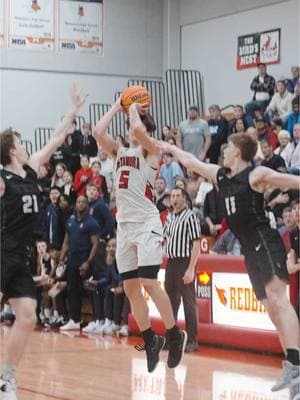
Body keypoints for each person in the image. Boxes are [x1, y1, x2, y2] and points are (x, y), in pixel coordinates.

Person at [158, 133, 300, 392]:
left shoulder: (255, 175)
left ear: (238, 152)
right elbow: (192, 161)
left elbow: (291, 181)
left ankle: (296, 364)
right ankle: (292, 367)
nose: (224, 150)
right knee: (270, 307)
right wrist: (170, 148)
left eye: (229, 147)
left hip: (264, 240)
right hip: (249, 248)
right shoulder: (220, 175)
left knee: (279, 299)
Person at [0, 83, 87, 399]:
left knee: (26, 315)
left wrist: (74, 109)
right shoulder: (3, 180)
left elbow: (56, 137)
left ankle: (6, 380)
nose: (26, 145)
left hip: (21, 256)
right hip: (2, 251)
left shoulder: (31, 169)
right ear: (12, 149)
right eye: (21, 142)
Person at [93, 98, 187, 373]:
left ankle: (173, 333)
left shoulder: (152, 149)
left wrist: (132, 105)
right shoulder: (119, 152)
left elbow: (136, 130)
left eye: (135, 124)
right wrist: (116, 105)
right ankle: (151, 339)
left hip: (147, 222)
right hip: (125, 226)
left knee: (149, 281)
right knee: (131, 288)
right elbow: (98, 131)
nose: (130, 127)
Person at [163, 187, 201, 352]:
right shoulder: (170, 217)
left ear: (184, 199)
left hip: (185, 262)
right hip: (171, 262)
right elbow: (163, 239)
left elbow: (196, 244)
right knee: (170, 302)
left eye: (178, 196)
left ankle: (193, 340)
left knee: (188, 302)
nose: (175, 199)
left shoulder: (191, 216)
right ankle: (171, 337)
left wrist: (191, 268)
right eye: (173, 196)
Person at [59, 195, 100, 331]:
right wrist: (62, 258)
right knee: (73, 290)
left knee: (90, 290)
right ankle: (75, 320)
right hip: (72, 260)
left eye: (83, 202)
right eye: (78, 201)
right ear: (75, 204)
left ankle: (97, 320)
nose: (81, 204)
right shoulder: (70, 221)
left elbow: (95, 244)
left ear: (87, 205)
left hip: (85, 261)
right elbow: (66, 241)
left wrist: (88, 262)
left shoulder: (92, 222)